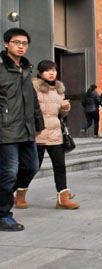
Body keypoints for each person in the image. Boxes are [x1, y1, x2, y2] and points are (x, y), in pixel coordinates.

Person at [15, 60, 80, 209]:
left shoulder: (59, 89)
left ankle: (62, 199)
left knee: (60, 166)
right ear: (40, 73)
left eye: (54, 70)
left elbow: (61, 114)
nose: (52, 73)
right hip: (37, 134)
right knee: (32, 167)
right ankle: (20, 194)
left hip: (55, 134)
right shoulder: (33, 87)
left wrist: (65, 107)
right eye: (47, 70)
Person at [0, 28, 45, 231]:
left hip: (26, 129)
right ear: (6, 44)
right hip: (6, 128)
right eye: (16, 42)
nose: (21, 46)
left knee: (32, 166)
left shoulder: (26, 70)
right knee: (9, 171)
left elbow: (33, 100)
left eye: (24, 43)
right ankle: (3, 215)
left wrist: (38, 124)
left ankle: (3, 194)